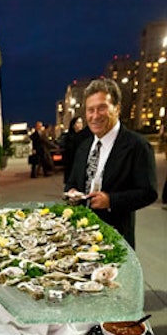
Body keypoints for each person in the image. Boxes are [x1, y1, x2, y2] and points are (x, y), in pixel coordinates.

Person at [64, 78, 158, 248]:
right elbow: (71, 181)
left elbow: (148, 192)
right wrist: (71, 192)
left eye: (102, 108)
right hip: (81, 235)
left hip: (116, 238)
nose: (95, 116)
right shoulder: (84, 146)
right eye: (90, 110)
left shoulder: (137, 146)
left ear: (117, 108)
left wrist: (111, 201)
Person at [63, 117, 91, 183]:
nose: (80, 125)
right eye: (78, 123)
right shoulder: (70, 137)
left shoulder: (83, 135)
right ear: (73, 125)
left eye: (81, 122)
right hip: (72, 164)